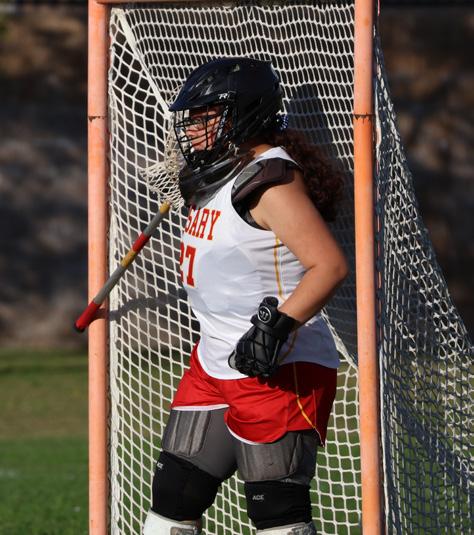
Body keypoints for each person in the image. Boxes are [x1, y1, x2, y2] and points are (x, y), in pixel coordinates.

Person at [143, 57, 348, 535]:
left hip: (274, 366)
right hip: (214, 362)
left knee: (277, 517)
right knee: (173, 501)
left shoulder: (271, 181)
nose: (192, 128)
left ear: (244, 115)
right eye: (191, 117)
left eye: (205, 116)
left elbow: (329, 266)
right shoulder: (220, 174)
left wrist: (274, 330)